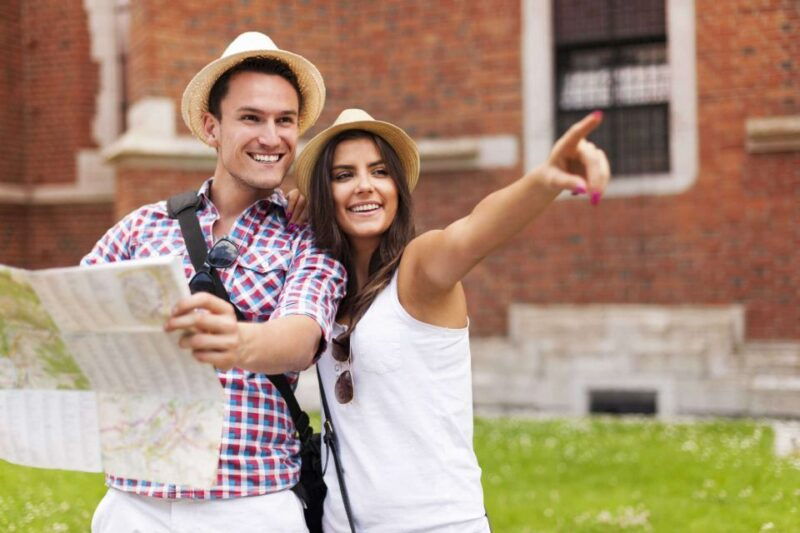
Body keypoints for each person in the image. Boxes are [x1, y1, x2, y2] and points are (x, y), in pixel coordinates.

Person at [289, 108, 610, 532]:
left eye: (380, 171)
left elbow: (472, 232)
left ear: (397, 187)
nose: (365, 185)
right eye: (343, 175)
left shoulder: (419, 269)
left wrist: (544, 181)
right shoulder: (326, 287)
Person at [82, 32, 345, 533]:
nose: (271, 137)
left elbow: (300, 338)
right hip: (134, 502)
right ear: (211, 127)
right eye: (251, 118)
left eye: (285, 121)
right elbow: (72, 313)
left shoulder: (311, 235)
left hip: (250, 503)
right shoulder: (142, 227)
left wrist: (235, 340)